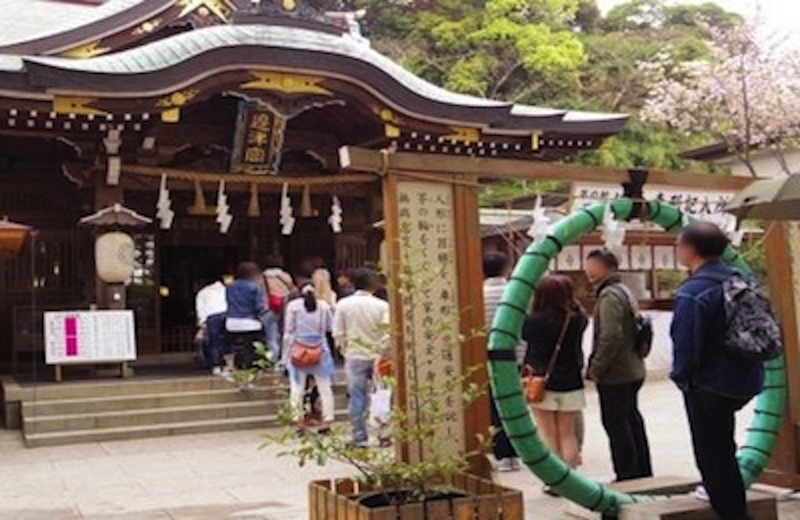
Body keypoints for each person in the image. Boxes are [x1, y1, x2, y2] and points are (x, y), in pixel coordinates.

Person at [672, 223, 764, 520]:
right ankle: (731, 505)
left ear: (690, 248)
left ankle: (732, 513)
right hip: (744, 377)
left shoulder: (694, 291)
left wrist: (683, 379)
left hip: (708, 384)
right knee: (723, 449)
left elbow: (686, 344)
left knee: (713, 457)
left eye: (678, 245)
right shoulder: (742, 279)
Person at [585, 249, 652, 482]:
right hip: (632, 367)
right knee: (631, 419)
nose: (589, 271)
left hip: (618, 372)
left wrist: (596, 367)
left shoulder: (609, 296)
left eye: (593, 265)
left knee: (617, 423)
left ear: (609, 268)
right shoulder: (623, 290)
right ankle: (642, 470)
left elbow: (610, 335)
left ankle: (627, 473)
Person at [523, 275, 588, 477]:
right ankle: (571, 478)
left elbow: (522, 336)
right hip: (571, 381)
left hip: (541, 383)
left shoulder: (533, 320)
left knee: (547, 433)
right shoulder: (578, 319)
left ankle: (554, 480)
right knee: (568, 434)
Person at [333, 268, 390, 448]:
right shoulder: (382, 306)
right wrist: (382, 352)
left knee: (357, 397)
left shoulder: (343, 304)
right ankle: (384, 433)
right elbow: (387, 333)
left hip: (354, 355)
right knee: (381, 395)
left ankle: (359, 436)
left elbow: (338, 332)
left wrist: (345, 350)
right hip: (378, 355)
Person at [482, 252, 521, 472]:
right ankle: (516, 452)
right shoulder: (515, 292)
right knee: (515, 405)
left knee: (493, 406)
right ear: (507, 269)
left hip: (488, 357)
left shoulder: (478, 294)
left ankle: (501, 453)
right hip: (515, 356)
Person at [284, 283, 336, 434]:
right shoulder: (323, 306)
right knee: (325, 387)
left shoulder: (293, 306)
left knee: (297, 387)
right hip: (320, 349)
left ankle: (297, 421)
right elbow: (328, 328)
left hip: (298, 350)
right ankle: (327, 421)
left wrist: (284, 355)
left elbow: (289, 330)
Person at [225, 262, 266, 371]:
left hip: (232, 322)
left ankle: (235, 364)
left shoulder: (230, 287)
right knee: (251, 347)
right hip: (250, 322)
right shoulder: (254, 287)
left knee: (235, 345)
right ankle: (249, 367)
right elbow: (259, 306)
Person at [263, 255, 295, 363]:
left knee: (271, 335)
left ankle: (273, 359)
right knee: (285, 332)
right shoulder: (284, 276)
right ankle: (285, 358)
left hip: (269, 306)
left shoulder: (263, 276)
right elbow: (292, 287)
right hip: (284, 304)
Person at [195, 277, 228, 375]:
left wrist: (202, 323)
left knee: (214, 342)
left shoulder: (202, 292)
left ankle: (216, 365)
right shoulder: (226, 290)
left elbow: (200, 309)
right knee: (227, 341)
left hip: (211, 317)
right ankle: (227, 365)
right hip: (226, 314)